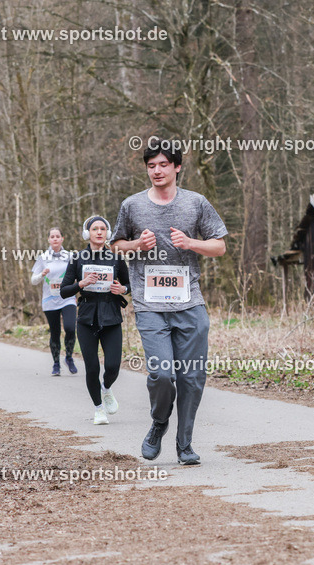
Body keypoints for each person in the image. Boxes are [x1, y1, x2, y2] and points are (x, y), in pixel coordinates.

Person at [111, 138, 227, 465]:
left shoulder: (196, 203)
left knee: (192, 376)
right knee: (162, 374)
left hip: (189, 302)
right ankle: (159, 421)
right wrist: (136, 245)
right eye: (151, 166)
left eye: (163, 164)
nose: (157, 171)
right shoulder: (132, 205)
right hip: (150, 304)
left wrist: (191, 243)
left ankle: (185, 444)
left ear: (177, 167)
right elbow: (115, 245)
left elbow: (219, 246)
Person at [60, 216, 130, 425]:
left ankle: (106, 388)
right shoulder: (77, 258)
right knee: (92, 368)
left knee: (113, 366)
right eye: (94, 229)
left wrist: (122, 289)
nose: (99, 232)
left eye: (102, 229)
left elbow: (130, 285)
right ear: (87, 233)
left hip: (111, 318)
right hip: (86, 319)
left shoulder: (116, 258)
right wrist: (80, 284)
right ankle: (99, 409)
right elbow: (64, 291)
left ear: (107, 233)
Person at [30, 228, 78, 376]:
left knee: (70, 328)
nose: (55, 239)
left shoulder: (70, 256)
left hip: (67, 298)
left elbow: (77, 275)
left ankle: (69, 357)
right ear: (49, 240)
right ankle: (56, 363)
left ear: (62, 238)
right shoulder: (43, 257)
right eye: (52, 236)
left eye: (58, 236)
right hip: (50, 300)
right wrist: (41, 274)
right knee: (55, 332)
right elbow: (33, 280)